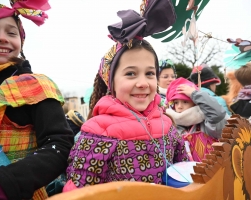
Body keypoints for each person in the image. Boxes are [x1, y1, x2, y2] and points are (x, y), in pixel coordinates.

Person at [64, 0, 187, 190]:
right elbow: (80, 189)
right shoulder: (98, 131)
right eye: (130, 73)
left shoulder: (167, 123)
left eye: (149, 73)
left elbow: (184, 167)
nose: (142, 83)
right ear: (111, 81)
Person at [0, 1, 74, 199]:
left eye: (11, 33)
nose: (1, 38)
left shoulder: (34, 86)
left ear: (21, 41)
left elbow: (60, 144)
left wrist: (4, 183)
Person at [166, 77, 227, 161]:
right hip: (182, 173)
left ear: (194, 103)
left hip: (211, 171)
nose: (179, 106)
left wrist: (195, 94)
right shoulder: (170, 126)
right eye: (176, 102)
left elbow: (218, 114)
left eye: (185, 102)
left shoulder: (207, 124)